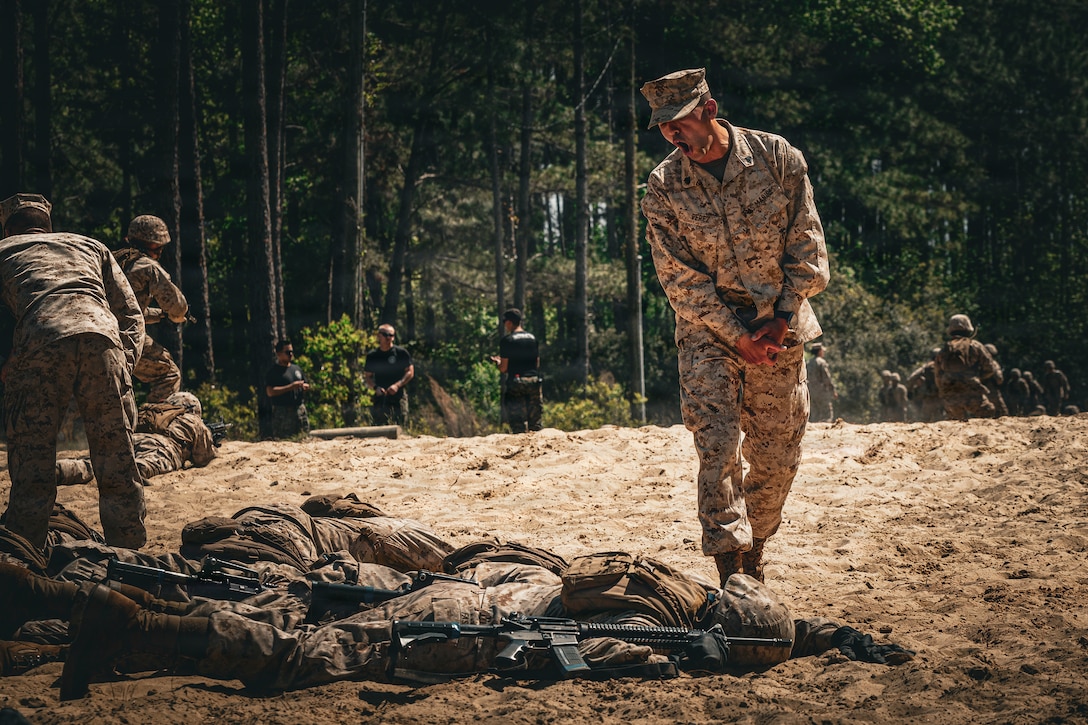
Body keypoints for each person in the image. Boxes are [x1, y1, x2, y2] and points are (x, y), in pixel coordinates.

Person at [639, 68, 830, 585]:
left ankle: (757, 548)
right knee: (716, 446)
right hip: (708, 333)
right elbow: (679, 280)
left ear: (709, 109)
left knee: (775, 453)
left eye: (679, 121)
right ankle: (731, 569)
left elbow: (807, 245)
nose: (672, 134)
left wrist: (781, 316)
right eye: (663, 127)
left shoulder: (777, 158)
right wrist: (736, 333)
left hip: (781, 324)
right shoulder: (663, 187)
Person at [0, 193, 147, 550]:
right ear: (48, 223)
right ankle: (130, 555)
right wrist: (123, 364)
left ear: (8, 225)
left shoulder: (4, 250)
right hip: (103, 339)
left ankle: (26, 555)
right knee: (118, 462)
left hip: (40, 339)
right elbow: (131, 314)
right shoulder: (91, 246)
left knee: (32, 467)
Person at [56, 392, 218, 485]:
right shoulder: (192, 419)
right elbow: (203, 457)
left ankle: (59, 470)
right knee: (134, 469)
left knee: (96, 464)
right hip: (163, 447)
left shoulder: (158, 411)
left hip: (134, 438)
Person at [113, 215, 191, 402]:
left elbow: (125, 309)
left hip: (95, 331)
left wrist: (159, 315)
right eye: (160, 248)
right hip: (123, 336)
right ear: (154, 246)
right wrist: (177, 316)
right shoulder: (147, 266)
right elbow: (178, 307)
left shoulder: (113, 260)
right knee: (168, 373)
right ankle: (153, 426)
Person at [933, 314, 1001, 420]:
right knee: (988, 412)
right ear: (968, 328)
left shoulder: (945, 349)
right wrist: (977, 377)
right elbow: (990, 368)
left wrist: (943, 389)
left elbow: (937, 373)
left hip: (950, 392)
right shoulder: (975, 346)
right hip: (971, 390)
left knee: (954, 421)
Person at [490, 308, 543, 432]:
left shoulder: (507, 341)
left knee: (518, 424)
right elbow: (537, 363)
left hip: (516, 383)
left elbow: (504, 368)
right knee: (535, 423)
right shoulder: (532, 338)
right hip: (534, 381)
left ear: (509, 322)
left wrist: (498, 362)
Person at [364, 324, 414, 427]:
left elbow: (410, 372)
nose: (388, 338)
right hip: (381, 396)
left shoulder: (401, 353)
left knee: (400, 426)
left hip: (398, 395)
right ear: (378, 336)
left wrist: (398, 385)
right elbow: (368, 376)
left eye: (391, 335)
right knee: (378, 427)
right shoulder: (373, 356)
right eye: (385, 335)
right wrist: (375, 387)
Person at [264, 340, 311, 438]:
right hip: (283, 412)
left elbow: (305, 383)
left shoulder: (296, 369)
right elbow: (270, 392)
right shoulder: (274, 372)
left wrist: (304, 387)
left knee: (304, 438)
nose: (291, 354)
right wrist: (290, 387)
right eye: (287, 352)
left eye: (291, 352)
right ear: (279, 354)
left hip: (299, 410)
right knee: (284, 441)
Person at [906, 349, 943, 423]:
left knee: (924, 422)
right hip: (942, 398)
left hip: (928, 398)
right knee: (941, 422)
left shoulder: (926, 367)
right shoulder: (944, 366)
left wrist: (909, 390)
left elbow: (911, 378)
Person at [805, 343, 836, 423]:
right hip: (821, 390)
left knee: (814, 412)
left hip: (810, 390)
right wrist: (832, 390)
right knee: (827, 413)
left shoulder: (808, 363)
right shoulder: (821, 362)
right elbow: (826, 378)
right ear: (819, 351)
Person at [981, 344, 1009, 417]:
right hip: (991, 389)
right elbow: (999, 379)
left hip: (980, 390)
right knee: (1002, 411)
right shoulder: (992, 363)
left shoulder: (977, 363)